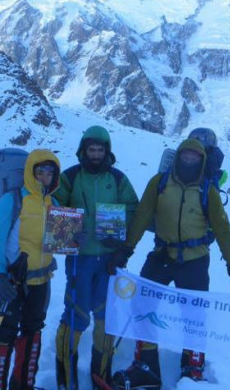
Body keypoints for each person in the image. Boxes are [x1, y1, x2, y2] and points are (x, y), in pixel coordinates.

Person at [109, 138, 230, 389]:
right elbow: (142, 217)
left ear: (202, 160)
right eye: (185, 155)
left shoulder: (207, 190)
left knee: (194, 317)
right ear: (177, 157)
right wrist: (125, 251)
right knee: (142, 305)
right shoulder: (159, 183)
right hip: (162, 255)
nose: (188, 160)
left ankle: (192, 369)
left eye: (194, 157)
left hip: (194, 261)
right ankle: (146, 367)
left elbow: (223, 230)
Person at [54, 125, 139, 390]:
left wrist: (119, 237)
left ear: (107, 151)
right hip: (79, 259)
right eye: (91, 149)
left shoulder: (117, 179)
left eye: (100, 150)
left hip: (109, 261)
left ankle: (100, 376)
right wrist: (68, 231)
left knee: (105, 317)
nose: (95, 154)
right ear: (83, 150)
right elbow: (54, 206)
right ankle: (66, 380)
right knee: (75, 315)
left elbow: (133, 208)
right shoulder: (70, 177)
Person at [0, 149, 61, 390]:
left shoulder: (54, 204)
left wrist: (77, 237)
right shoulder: (12, 200)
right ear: (30, 172)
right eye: (40, 172)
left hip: (41, 282)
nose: (45, 177)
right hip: (11, 281)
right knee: (4, 334)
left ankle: (23, 385)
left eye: (50, 173)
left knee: (32, 333)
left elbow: (58, 243)